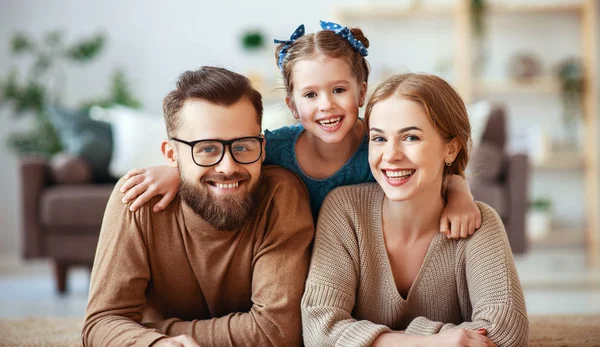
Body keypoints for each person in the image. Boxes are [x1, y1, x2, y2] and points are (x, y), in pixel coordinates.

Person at [119, 21, 481, 238]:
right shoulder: (273, 148)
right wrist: (176, 174)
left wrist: (461, 194)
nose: (326, 105)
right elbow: (227, 159)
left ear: (362, 92)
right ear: (292, 105)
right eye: (310, 94)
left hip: (363, 265)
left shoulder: (380, 144)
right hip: (289, 263)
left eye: (339, 90)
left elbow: (435, 168)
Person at [82, 67, 314, 347]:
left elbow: (275, 332)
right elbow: (100, 324)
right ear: (172, 155)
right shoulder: (137, 198)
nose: (228, 167)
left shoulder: (280, 196)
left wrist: (148, 332)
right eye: (206, 149)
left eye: (242, 146)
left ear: (262, 148)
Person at [301, 73, 529, 347]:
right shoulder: (345, 210)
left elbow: (506, 334)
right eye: (379, 139)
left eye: (410, 137)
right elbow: (318, 331)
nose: (391, 155)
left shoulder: (479, 223)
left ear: (451, 149)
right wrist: (436, 341)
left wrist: (369, 338)